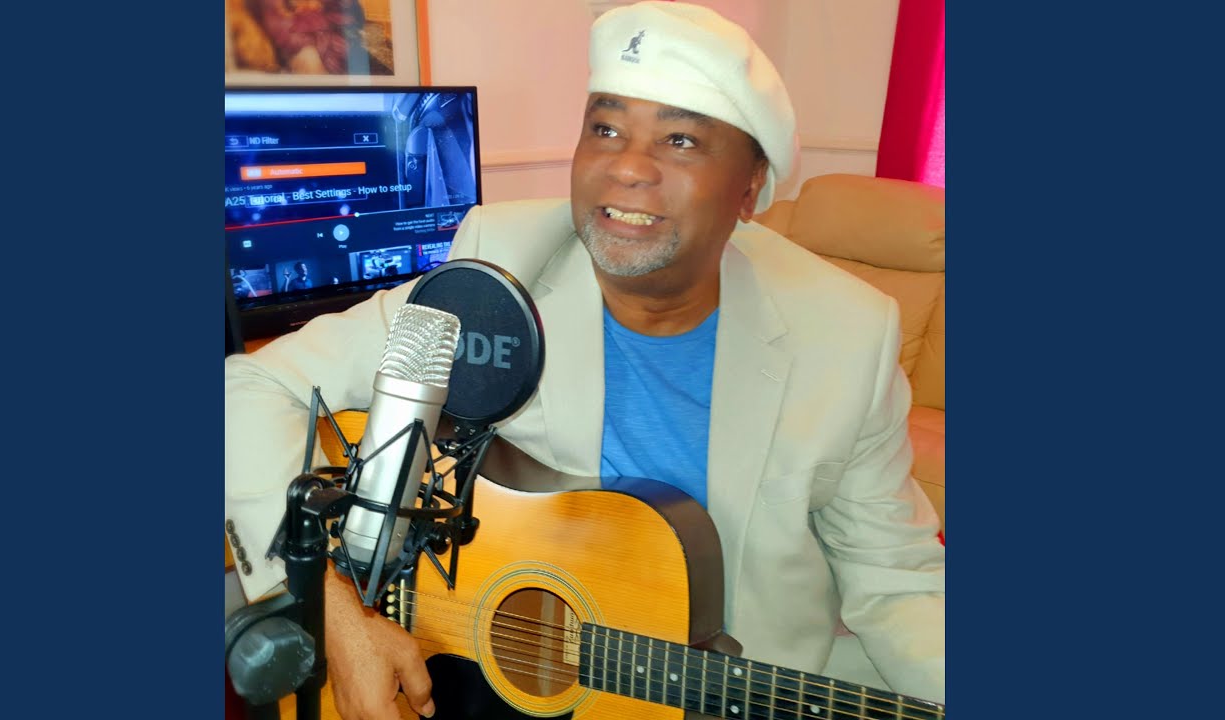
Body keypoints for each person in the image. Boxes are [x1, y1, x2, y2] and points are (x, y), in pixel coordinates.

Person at [225, 3, 945, 718]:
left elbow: (897, 578)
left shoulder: (846, 335)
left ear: (750, 187)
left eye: (681, 140)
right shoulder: (497, 273)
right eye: (605, 129)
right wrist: (334, 612)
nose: (626, 166)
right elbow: (246, 388)